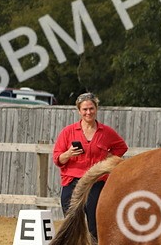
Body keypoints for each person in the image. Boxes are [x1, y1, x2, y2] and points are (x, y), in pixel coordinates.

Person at [53, 92, 128, 236]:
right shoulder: (68, 132)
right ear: (79, 111)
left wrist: (110, 158)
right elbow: (57, 159)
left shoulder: (106, 132)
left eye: (91, 108)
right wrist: (68, 154)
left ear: (96, 109)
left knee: (95, 225)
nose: (88, 112)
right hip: (72, 182)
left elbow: (122, 147)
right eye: (85, 109)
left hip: (96, 182)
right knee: (71, 225)